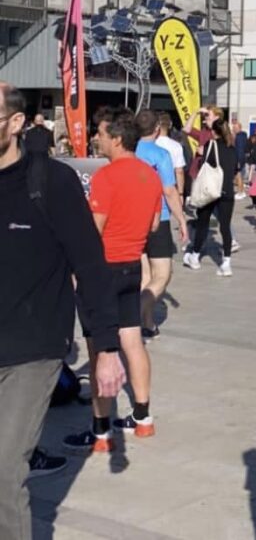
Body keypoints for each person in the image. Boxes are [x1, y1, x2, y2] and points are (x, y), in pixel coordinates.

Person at [0, 84, 125, 539]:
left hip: (33, 349)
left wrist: (106, 347)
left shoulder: (50, 182)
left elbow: (91, 266)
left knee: (2, 473)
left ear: (15, 124)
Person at [63, 106, 163, 453]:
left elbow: (95, 231)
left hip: (102, 270)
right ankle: (143, 417)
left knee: (99, 349)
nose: (96, 139)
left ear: (117, 139)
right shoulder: (149, 175)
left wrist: (77, 270)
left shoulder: (106, 177)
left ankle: (101, 432)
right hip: (131, 267)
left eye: (101, 134)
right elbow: (152, 226)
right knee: (132, 341)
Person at [134, 110, 189, 340]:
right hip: (158, 219)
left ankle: (146, 323)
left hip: (132, 218)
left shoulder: (129, 151)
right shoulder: (161, 154)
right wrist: (182, 219)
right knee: (163, 275)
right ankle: (132, 315)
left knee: (145, 275)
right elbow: (169, 189)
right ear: (157, 128)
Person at [182, 116, 238, 276]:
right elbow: (235, 169)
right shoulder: (232, 148)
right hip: (227, 191)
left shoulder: (210, 146)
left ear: (214, 132)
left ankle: (195, 256)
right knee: (225, 227)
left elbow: (203, 162)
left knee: (203, 223)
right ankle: (226, 262)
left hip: (211, 190)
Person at [155, 112, 186, 200]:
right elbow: (179, 171)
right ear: (170, 125)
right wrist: (180, 193)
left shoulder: (150, 143)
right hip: (170, 187)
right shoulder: (176, 146)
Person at [232, 120, 248, 200]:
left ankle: (240, 192)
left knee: (239, 176)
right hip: (239, 158)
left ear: (239, 128)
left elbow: (240, 150)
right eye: (233, 127)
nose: (233, 129)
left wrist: (238, 161)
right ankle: (241, 191)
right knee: (238, 176)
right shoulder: (242, 136)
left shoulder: (239, 137)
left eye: (235, 127)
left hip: (238, 158)